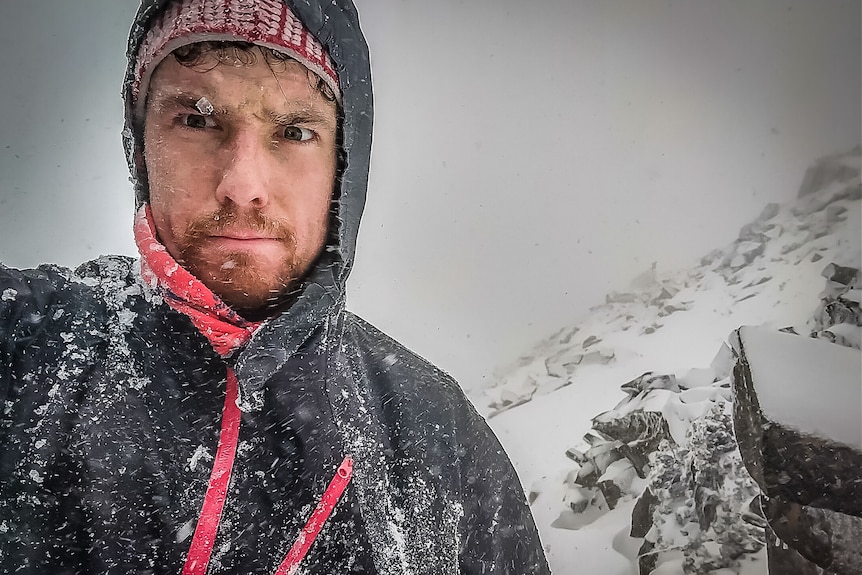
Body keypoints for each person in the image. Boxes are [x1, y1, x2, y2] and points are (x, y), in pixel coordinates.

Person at [0, 1, 551, 573]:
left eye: (294, 131)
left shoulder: (438, 436)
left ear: (343, 165)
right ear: (141, 146)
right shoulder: (24, 347)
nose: (243, 185)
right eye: (196, 119)